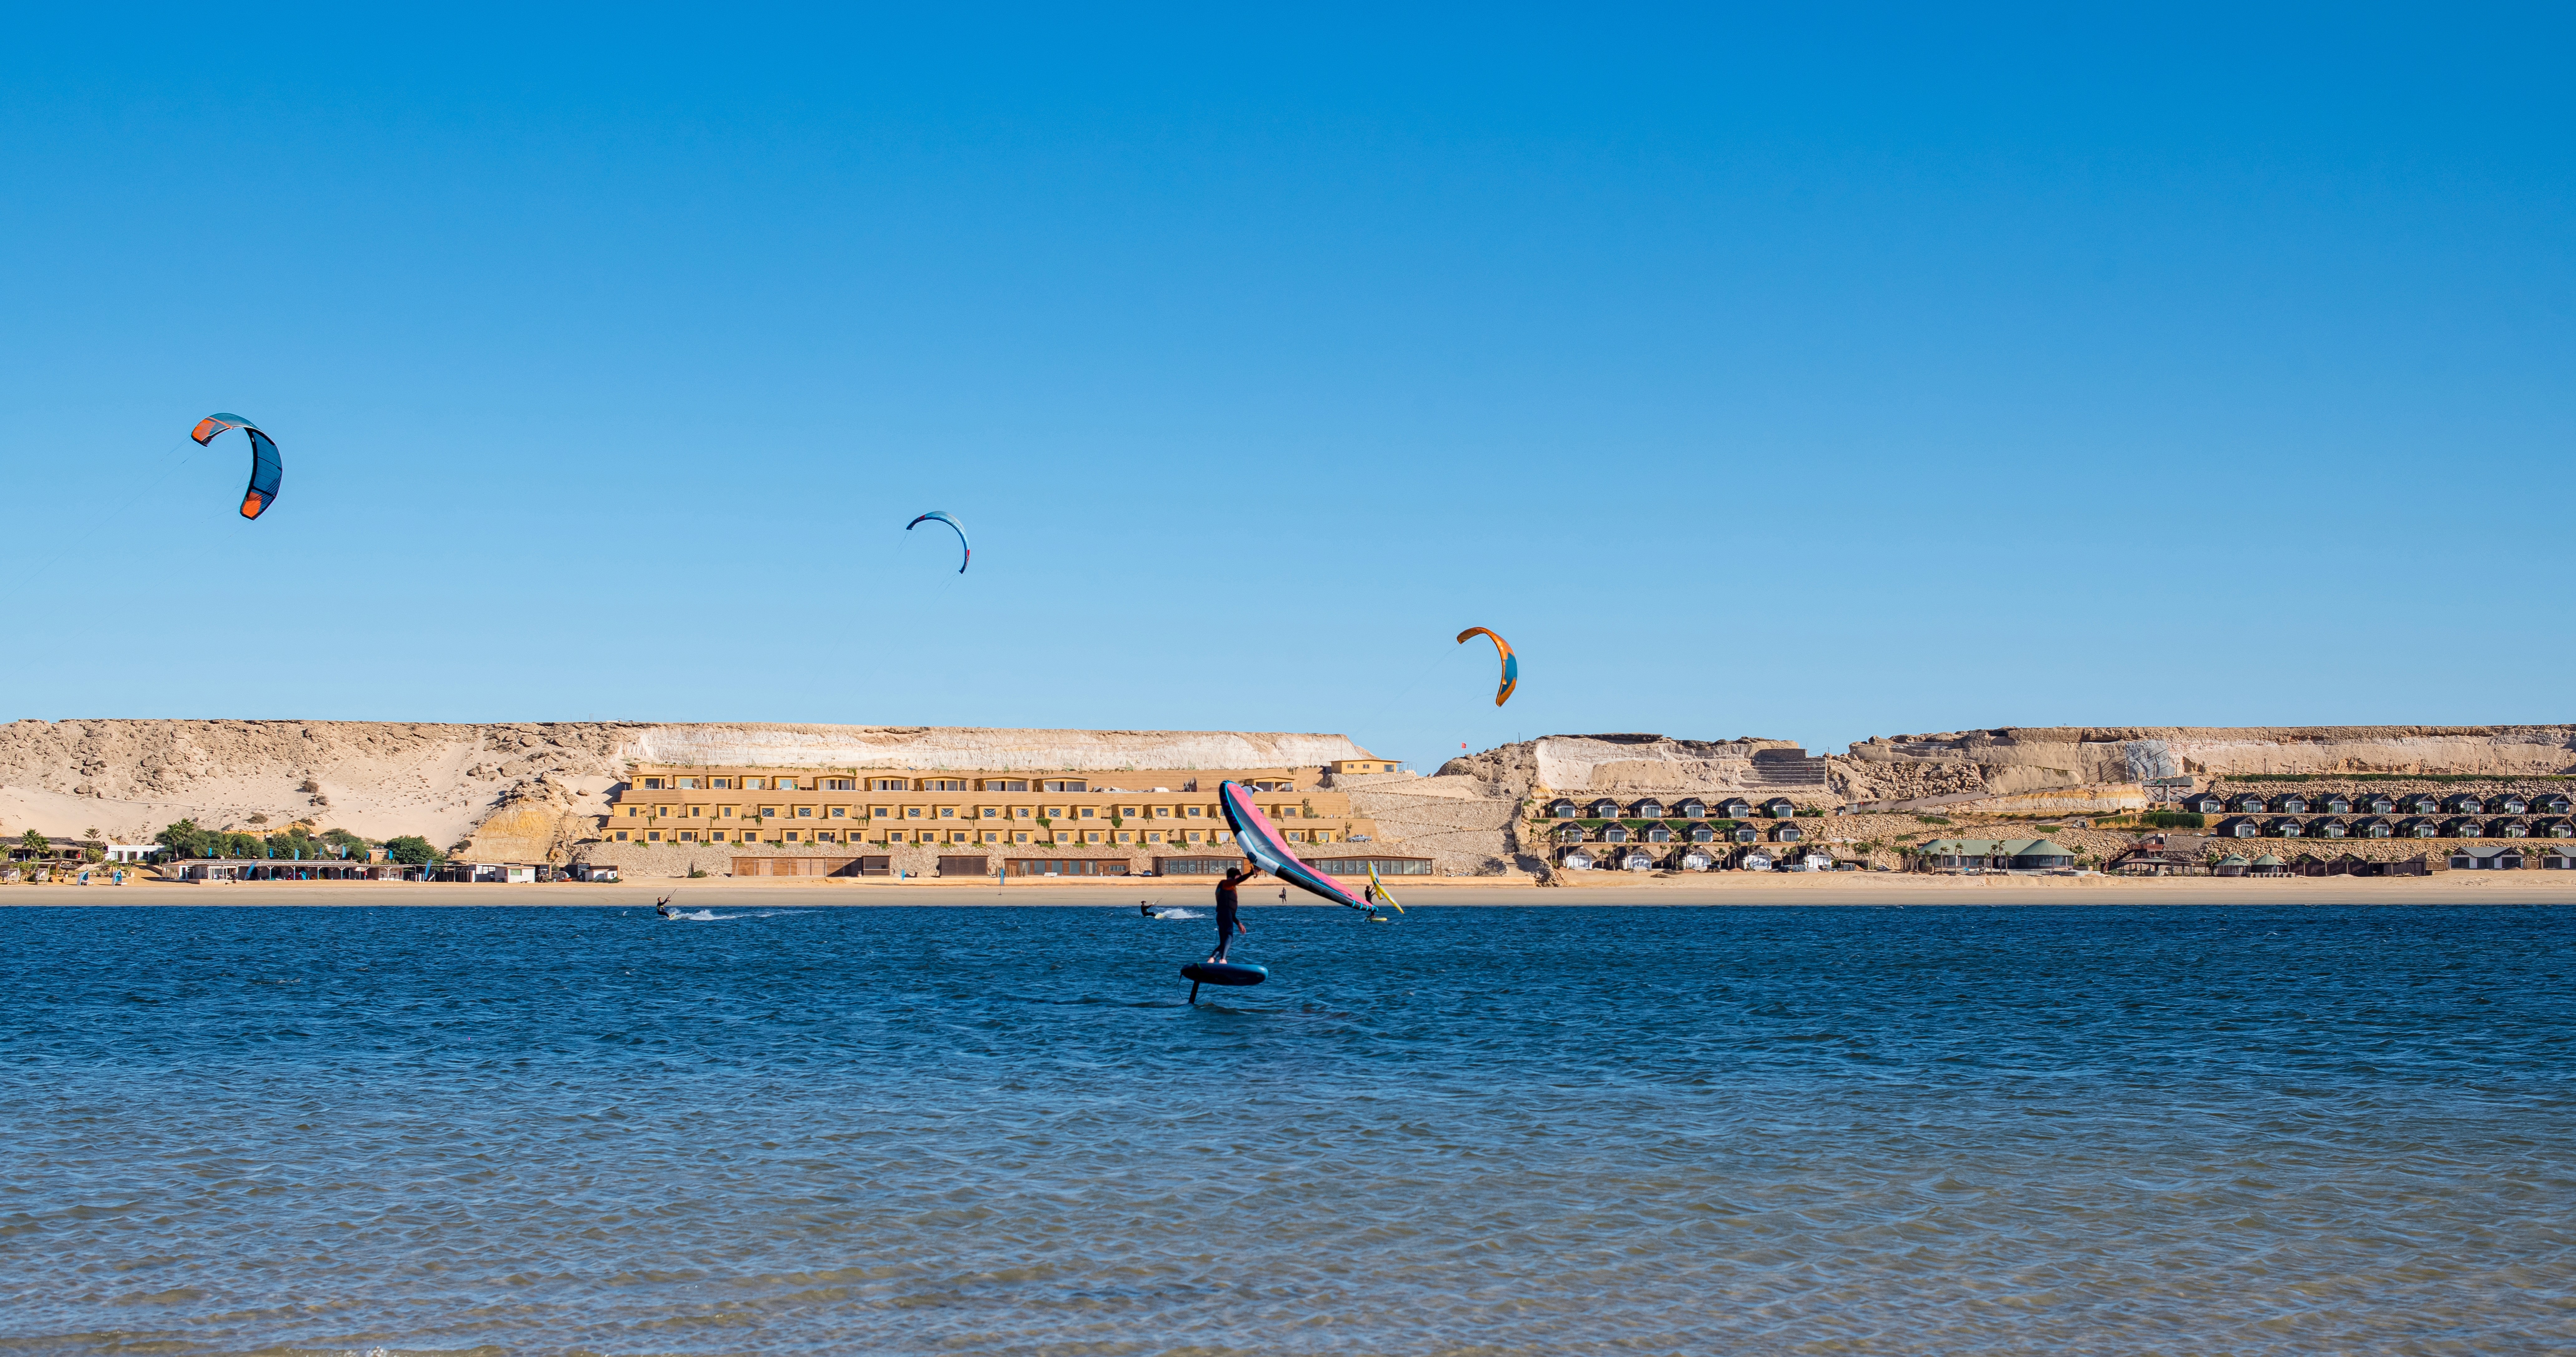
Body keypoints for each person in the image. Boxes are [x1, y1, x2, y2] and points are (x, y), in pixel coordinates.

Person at [1210, 865, 1260, 963]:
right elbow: (1238, 881)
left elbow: (1228, 909)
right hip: (1225, 914)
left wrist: (1238, 923)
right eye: (1238, 876)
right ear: (1234, 876)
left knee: (1224, 943)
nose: (1239, 879)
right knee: (1230, 936)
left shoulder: (1227, 887)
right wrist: (1251, 873)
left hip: (1222, 915)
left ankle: (1212, 960)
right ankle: (1223, 960)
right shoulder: (1226, 884)